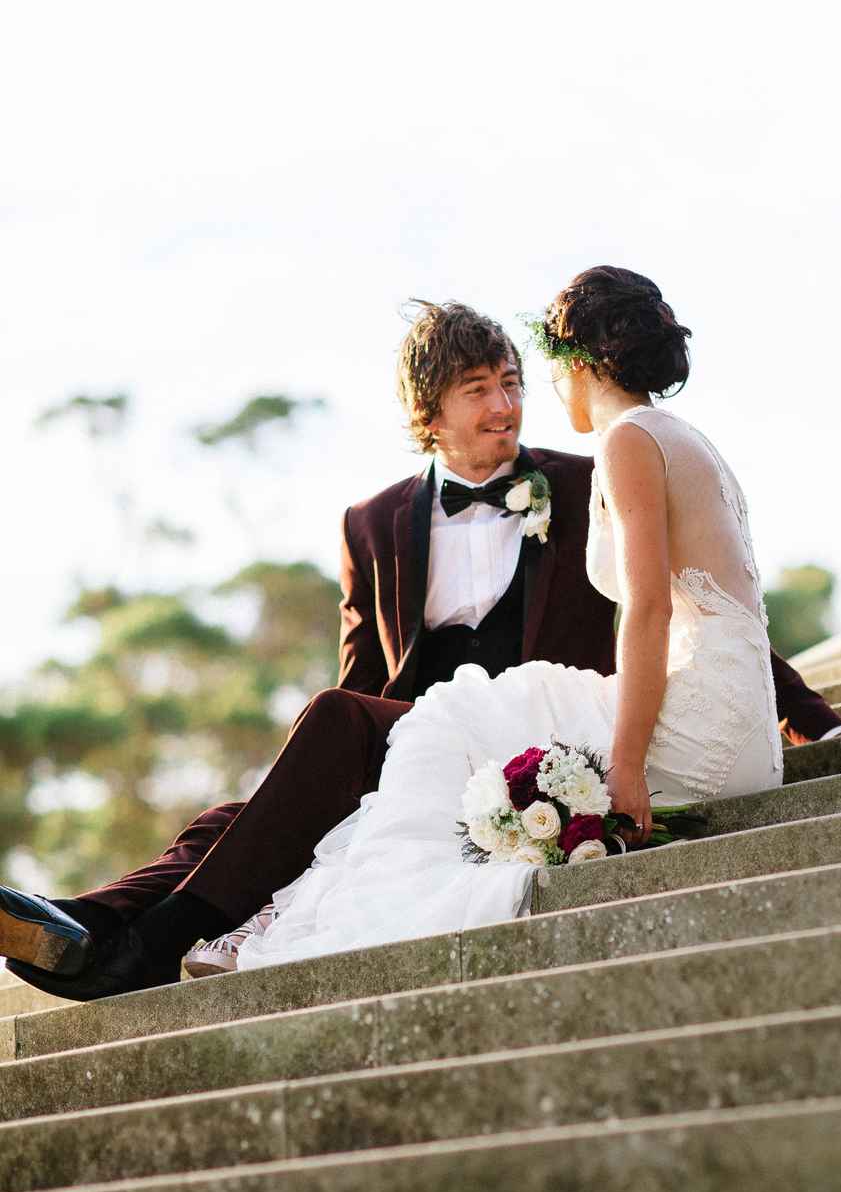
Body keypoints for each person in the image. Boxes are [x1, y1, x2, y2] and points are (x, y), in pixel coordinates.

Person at [0, 286, 841, 999]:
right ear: (428, 411)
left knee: (318, 739)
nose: (506, 405)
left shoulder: (591, 473)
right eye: (478, 388)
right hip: (425, 730)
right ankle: (84, 922)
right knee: (252, 805)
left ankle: (139, 951)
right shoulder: (369, 524)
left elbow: (685, 607)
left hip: (539, 734)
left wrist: (809, 716)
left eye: (513, 381)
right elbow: (364, 678)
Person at [238, 266, 812, 968]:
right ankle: (290, 909)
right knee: (469, 721)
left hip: (699, 736)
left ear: (579, 364)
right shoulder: (683, 437)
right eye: (482, 387)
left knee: (452, 721)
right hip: (740, 733)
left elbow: (652, 608)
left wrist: (626, 759)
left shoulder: (629, 441)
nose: (524, 397)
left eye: (527, 375)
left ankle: (312, 923)